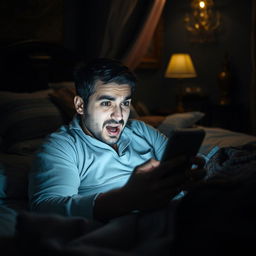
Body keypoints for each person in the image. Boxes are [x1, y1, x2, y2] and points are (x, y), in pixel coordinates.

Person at [29, 58, 203, 222]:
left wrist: (206, 168)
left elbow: (185, 165)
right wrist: (125, 199)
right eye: (106, 103)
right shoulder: (62, 146)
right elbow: (46, 209)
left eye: (125, 103)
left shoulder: (141, 130)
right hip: (139, 227)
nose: (119, 116)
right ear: (80, 105)